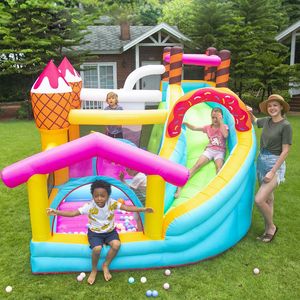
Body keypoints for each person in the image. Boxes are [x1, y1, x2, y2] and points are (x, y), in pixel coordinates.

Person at [47, 179, 153, 285]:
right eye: (96, 196)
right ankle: (94, 270)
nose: (99, 199)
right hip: (95, 233)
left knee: (116, 245)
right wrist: (56, 211)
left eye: (102, 196)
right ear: (92, 195)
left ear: (108, 195)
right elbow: (73, 213)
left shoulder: (112, 203)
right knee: (97, 249)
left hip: (110, 232)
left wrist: (143, 210)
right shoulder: (90, 206)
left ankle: (105, 265)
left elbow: (127, 207)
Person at [247, 94, 292, 243]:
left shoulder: (286, 126)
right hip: (261, 161)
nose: (272, 108)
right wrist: (248, 111)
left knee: (259, 199)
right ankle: (267, 229)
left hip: (274, 164)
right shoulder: (266, 121)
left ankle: (271, 227)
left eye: (275, 105)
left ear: (281, 107)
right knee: (268, 198)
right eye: (270, 106)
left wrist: (273, 171)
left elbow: (286, 150)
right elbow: (254, 121)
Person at [175, 107, 228, 198]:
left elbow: (225, 135)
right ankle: (180, 185)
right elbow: (195, 128)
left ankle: (218, 191)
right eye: (213, 117)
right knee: (196, 166)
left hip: (220, 152)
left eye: (217, 117)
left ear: (221, 117)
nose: (215, 120)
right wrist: (186, 123)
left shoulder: (224, 127)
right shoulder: (208, 127)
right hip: (210, 150)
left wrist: (221, 121)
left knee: (219, 168)